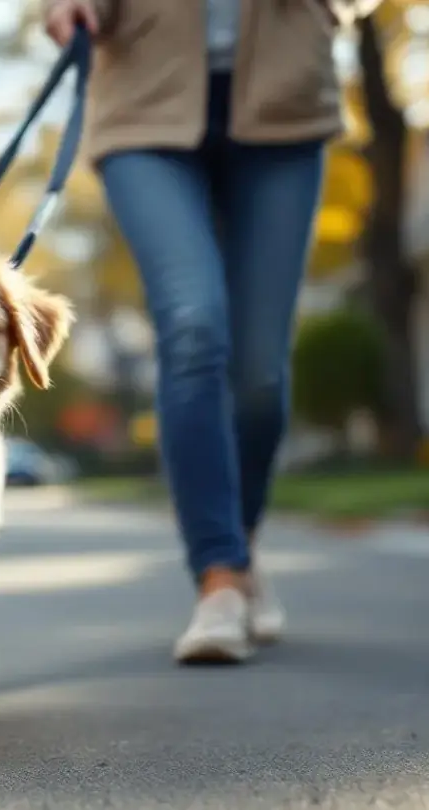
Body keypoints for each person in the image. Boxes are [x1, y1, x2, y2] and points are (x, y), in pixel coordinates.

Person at [41, 0, 374, 664]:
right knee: (193, 326)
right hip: (144, 102)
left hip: (285, 102)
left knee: (260, 371)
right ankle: (218, 580)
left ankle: (241, 546)